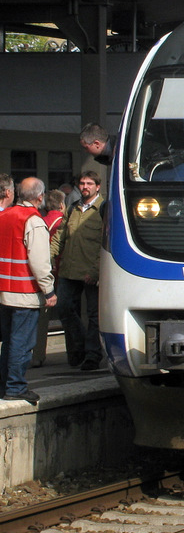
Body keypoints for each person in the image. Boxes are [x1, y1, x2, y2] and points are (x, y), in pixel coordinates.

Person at [0, 178, 57, 404]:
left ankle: (4, 384)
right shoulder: (33, 220)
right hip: (24, 292)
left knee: (8, 342)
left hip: (4, 290)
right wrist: (49, 290)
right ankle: (16, 387)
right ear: (40, 197)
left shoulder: (4, 215)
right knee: (22, 344)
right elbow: (40, 262)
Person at [50, 171, 104, 370]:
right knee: (64, 308)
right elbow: (60, 235)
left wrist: (96, 270)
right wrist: (49, 256)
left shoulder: (104, 209)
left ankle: (92, 355)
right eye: (82, 183)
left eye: (89, 183)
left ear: (97, 186)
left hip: (91, 272)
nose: (85, 187)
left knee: (93, 315)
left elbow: (106, 243)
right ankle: (78, 348)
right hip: (69, 270)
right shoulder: (73, 208)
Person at [33, 189, 66, 368]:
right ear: (62, 204)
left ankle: (37, 355)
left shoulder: (39, 221)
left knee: (40, 319)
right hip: (59, 274)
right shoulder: (61, 222)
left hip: (39, 274)